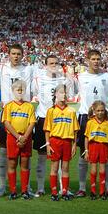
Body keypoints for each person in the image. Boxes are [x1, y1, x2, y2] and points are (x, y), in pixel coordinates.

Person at [75, 49, 108, 198]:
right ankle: (82, 187)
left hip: (105, 117)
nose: (96, 61)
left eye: (98, 58)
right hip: (85, 118)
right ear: (88, 60)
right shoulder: (80, 77)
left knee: (106, 154)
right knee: (83, 154)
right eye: (93, 58)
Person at [32, 54, 74, 197]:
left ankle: (63, 188)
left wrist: (70, 78)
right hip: (43, 119)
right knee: (42, 155)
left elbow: (71, 94)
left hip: (60, 120)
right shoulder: (39, 79)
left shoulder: (64, 80)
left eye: (56, 62)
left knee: (62, 159)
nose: (54, 65)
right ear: (45, 65)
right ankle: (40, 187)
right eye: (51, 63)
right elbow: (35, 95)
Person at [0, 44, 34, 197]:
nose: (16, 56)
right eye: (13, 53)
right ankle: (3, 186)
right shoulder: (1, 68)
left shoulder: (29, 69)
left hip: (24, 112)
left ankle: (27, 187)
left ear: (22, 55)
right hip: (8, 113)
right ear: (9, 55)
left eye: (19, 53)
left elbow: (50, 67)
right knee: (5, 152)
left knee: (25, 158)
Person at [44, 84, 80, 201]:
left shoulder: (71, 111)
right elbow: (47, 130)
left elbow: (75, 130)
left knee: (65, 167)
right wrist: (48, 144)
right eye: (60, 92)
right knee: (54, 167)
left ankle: (64, 191)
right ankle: (54, 192)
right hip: (55, 141)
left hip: (67, 142)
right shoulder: (51, 111)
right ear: (55, 94)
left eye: (65, 92)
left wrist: (74, 144)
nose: (63, 95)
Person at [1, 80, 36, 200]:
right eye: (18, 90)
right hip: (13, 138)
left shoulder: (29, 106)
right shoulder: (9, 106)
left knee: (25, 163)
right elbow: (6, 123)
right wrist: (18, 137)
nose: (20, 92)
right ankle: (13, 191)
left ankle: (25, 190)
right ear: (13, 91)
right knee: (12, 163)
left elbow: (32, 122)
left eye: (22, 90)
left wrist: (25, 137)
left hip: (26, 138)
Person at [84, 101, 108, 200]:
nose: (100, 112)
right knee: (93, 170)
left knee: (102, 170)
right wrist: (86, 151)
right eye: (98, 111)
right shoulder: (90, 122)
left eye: (102, 110)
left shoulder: (107, 123)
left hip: (103, 147)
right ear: (94, 111)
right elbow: (87, 138)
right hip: (93, 147)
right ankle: (93, 192)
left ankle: (102, 192)